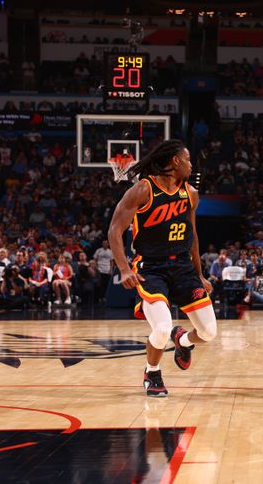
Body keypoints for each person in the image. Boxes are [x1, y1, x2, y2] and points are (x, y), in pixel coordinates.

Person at [108, 140, 216, 397]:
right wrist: (124, 269)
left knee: (209, 332)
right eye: (188, 159)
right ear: (175, 161)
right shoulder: (143, 189)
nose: (192, 165)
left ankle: (183, 341)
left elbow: (193, 236)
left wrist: (200, 274)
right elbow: (115, 229)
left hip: (182, 266)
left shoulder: (190, 193)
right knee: (161, 328)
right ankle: (152, 371)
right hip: (151, 267)